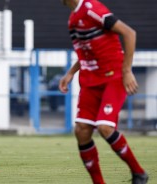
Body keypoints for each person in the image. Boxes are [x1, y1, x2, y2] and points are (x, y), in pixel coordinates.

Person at [59, 0, 148, 184]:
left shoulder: (92, 9)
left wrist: (126, 71)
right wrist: (70, 73)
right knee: (81, 131)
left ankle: (139, 173)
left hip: (113, 77)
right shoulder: (72, 20)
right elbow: (86, 52)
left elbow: (129, 33)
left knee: (105, 128)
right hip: (91, 81)